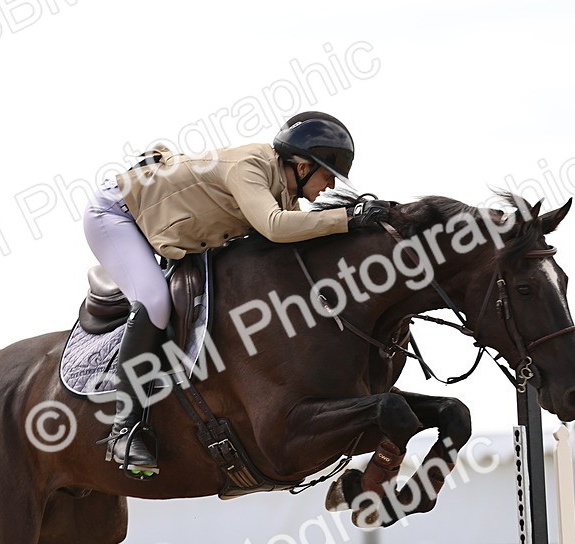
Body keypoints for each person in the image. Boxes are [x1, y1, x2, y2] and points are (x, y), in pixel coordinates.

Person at [82, 112, 392, 478]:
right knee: (154, 301)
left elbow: (294, 238)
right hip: (115, 214)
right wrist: (348, 219)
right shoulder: (249, 166)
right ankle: (123, 428)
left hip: (163, 221)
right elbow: (275, 227)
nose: (329, 187)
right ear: (304, 166)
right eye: (328, 176)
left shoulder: (284, 191)